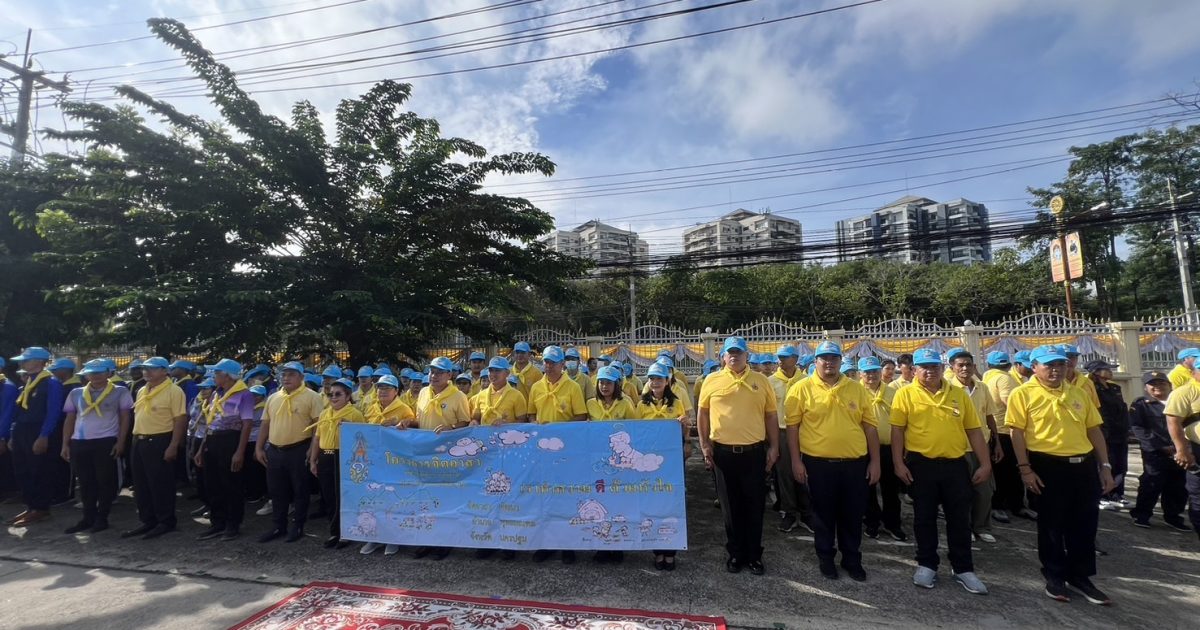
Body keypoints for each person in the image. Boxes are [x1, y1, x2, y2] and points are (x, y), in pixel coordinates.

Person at [1007, 345, 1116, 605]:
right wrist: (1025, 469)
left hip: (1083, 465)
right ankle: (1054, 575)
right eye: (1049, 365)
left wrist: (1105, 466)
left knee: (1085, 523)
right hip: (1047, 465)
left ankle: (1080, 576)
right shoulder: (1022, 394)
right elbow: (1016, 433)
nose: (1056, 370)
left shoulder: (1079, 393)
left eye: (1060, 364)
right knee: (1052, 524)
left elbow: (1094, 430)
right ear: (1035, 367)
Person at [891, 348, 992, 595]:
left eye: (934, 366)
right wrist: (898, 463)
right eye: (924, 367)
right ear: (914, 370)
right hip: (921, 464)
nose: (930, 371)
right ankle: (927, 564)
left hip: (955, 463)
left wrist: (985, 463)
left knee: (959, 517)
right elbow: (897, 431)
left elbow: (973, 430)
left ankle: (963, 568)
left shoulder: (958, 394)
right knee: (924, 517)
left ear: (942, 368)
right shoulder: (905, 394)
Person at [785, 342, 879, 582]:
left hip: (854, 464)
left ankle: (852, 559)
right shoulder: (801, 389)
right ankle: (826, 557)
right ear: (815, 361)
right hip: (818, 464)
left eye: (834, 358)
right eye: (824, 358)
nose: (829, 362)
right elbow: (793, 428)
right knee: (823, 515)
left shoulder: (856, 389)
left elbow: (870, 427)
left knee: (852, 514)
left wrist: (875, 462)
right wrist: (796, 461)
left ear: (840, 361)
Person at [698, 336, 779, 576]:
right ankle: (735, 553)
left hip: (754, 453)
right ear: (723, 356)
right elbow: (703, 414)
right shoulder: (712, 380)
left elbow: (771, 415)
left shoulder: (761, 381)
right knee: (730, 508)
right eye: (730, 352)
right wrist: (704, 445)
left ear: (747, 356)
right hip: (723, 454)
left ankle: (754, 555)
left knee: (754, 505)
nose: (734, 356)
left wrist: (774, 446)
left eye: (739, 352)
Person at [527, 345, 587, 564]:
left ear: (563, 364)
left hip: (565, 452)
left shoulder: (573, 387)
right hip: (542, 452)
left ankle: (568, 545)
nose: (549, 366)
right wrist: (536, 424)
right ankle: (547, 544)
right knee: (544, 498)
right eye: (546, 361)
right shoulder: (536, 387)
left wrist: (560, 431)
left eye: (553, 362)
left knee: (566, 497)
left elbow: (581, 416)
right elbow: (531, 414)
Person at [59, 359, 133, 534]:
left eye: (100, 372)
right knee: (85, 482)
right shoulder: (76, 393)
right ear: (86, 375)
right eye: (91, 373)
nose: (95, 376)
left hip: (105, 440)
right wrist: (65, 443)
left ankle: (102, 517)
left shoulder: (120, 391)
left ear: (109, 373)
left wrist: (121, 442)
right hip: (80, 441)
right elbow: (70, 419)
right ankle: (88, 517)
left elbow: (125, 418)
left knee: (105, 481)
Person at [254, 361, 324, 544]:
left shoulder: (312, 397)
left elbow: (318, 425)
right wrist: (259, 447)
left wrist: (312, 449)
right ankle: (278, 525)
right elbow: (265, 424)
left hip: (299, 448)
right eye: (284, 374)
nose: (286, 378)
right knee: (276, 490)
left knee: (300, 489)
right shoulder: (273, 397)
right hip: (275, 449)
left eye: (291, 374)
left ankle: (298, 525)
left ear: (301, 377)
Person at [634, 361, 691, 571]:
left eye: (659, 379)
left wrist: (685, 428)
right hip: (648, 462)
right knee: (652, 504)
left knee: (671, 504)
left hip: (671, 461)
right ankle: (657, 550)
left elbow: (684, 430)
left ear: (667, 381)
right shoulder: (641, 405)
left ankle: (670, 550)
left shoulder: (676, 403)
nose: (655, 382)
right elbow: (636, 433)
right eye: (652, 379)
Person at [122, 357, 187, 539]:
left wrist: (173, 445)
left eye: (152, 369)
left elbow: (180, 419)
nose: (146, 372)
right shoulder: (142, 389)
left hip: (160, 440)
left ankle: (165, 521)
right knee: (141, 484)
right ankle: (148, 520)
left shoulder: (174, 391)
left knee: (160, 483)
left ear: (165, 371)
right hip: (139, 439)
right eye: (145, 369)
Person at [0, 347, 65, 527]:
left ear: (40, 362)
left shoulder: (51, 382)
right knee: (22, 470)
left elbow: (53, 412)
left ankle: (41, 508)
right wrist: (12, 434)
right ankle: (31, 506)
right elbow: (19, 410)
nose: (23, 363)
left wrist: (44, 435)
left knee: (39, 470)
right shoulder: (29, 381)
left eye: (26, 360)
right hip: (22, 430)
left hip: (38, 430)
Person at [195, 359, 255, 541]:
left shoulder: (244, 394)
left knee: (231, 484)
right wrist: (201, 448)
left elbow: (247, 424)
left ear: (227, 376)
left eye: (216, 373)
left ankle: (232, 524)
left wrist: (239, 452)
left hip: (230, 440)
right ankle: (217, 522)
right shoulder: (216, 393)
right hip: (212, 440)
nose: (213, 376)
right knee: (212, 484)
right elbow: (211, 420)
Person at [946, 351, 1002, 544]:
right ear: (952, 367)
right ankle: (964, 526)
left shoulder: (982, 387)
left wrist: (997, 442)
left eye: (968, 365)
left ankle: (982, 526)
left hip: (981, 446)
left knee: (984, 490)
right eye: (960, 365)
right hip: (958, 446)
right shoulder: (948, 388)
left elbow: (989, 415)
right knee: (960, 491)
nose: (965, 368)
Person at [308, 378, 366, 550]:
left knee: (344, 497)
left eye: (338, 394)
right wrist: (313, 459)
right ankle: (335, 531)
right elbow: (317, 438)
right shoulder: (325, 413)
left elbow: (362, 440)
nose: (333, 397)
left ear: (347, 396)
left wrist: (350, 427)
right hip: (326, 456)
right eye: (330, 394)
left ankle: (346, 533)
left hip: (343, 457)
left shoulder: (355, 414)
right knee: (329, 496)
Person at [1128, 371, 1189, 530]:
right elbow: (1137, 428)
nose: (1157, 387)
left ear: (1169, 385)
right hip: (1155, 452)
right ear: (1146, 388)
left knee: (1178, 485)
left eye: (1161, 383)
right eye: (1152, 384)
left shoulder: (1180, 401)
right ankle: (1142, 514)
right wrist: (1160, 446)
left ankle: (1173, 516)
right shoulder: (1141, 404)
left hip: (1180, 450)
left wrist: (1182, 446)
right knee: (1151, 483)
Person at [982, 351, 1034, 524]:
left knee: (1000, 471)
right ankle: (1013, 505)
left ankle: (1002, 505)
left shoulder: (987, 377)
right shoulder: (1005, 379)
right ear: (1013, 365)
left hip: (996, 430)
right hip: (1007, 430)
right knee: (1012, 470)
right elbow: (1011, 404)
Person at [861, 356, 905, 541]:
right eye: (867, 372)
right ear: (861, 374)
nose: (871, 375)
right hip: (864, 449)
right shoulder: (856, 392)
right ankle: (872, 522)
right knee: (868, 488)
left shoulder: (893, 393)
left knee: (890, 488)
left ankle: (892, 523)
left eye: (874, 371)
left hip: (888, 447)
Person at [771, 345, 813, 535]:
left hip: (805, 431)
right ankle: (789, 512)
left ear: (795, 359)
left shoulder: (806, 381)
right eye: (780, 357)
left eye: (785, 357)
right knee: (785, 474)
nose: (781, 360)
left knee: (805, 473)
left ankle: (806, 513)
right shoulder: (771, 382)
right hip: (782, 431)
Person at [1164, 358, 1200, 541]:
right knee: (1198, 498)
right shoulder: (1184, 392)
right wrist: (1182, 450)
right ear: (1193, 372)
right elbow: (1173, 422)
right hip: (1197, 450)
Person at [1087, 359, 1130, 510]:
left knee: (1121, 465)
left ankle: (1117, 494)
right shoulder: (1092, 388)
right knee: (1105, 465)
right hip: (1105, 433)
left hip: (1120, 433)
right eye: (1107, 369)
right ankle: (1102, 495)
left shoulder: (1114, 388)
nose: (1111, 372)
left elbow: (1122, 410)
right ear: (1096, 372)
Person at [471, 357, 528, 428]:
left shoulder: (517, 395)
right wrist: (474, 422)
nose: (493, 374)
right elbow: (475, 418)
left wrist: (506, 424)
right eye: (491, 370)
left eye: (497, 371)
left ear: (507, 373)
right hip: (485, 435)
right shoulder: (481, 395)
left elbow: (522, 421)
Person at [187, 378, 214, 518]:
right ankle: (205, 502)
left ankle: (213, 506)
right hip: (196, 437)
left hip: (208, 440)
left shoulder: (216, 404)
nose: (202, 391)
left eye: (206, 388)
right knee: (199, 474)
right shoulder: (198, 401)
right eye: (201, 388)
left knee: (209, 476)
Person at [244, 385, 269, 506]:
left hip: (258, 441)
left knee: (257, 470)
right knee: (249, 469)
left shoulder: (264, 408)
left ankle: (258, 493)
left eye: (256, 395)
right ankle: (252, 491)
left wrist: (260, 447)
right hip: (247, 441)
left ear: (262, 396)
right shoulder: (248, 407)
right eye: (251, 395)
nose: (253, 397)